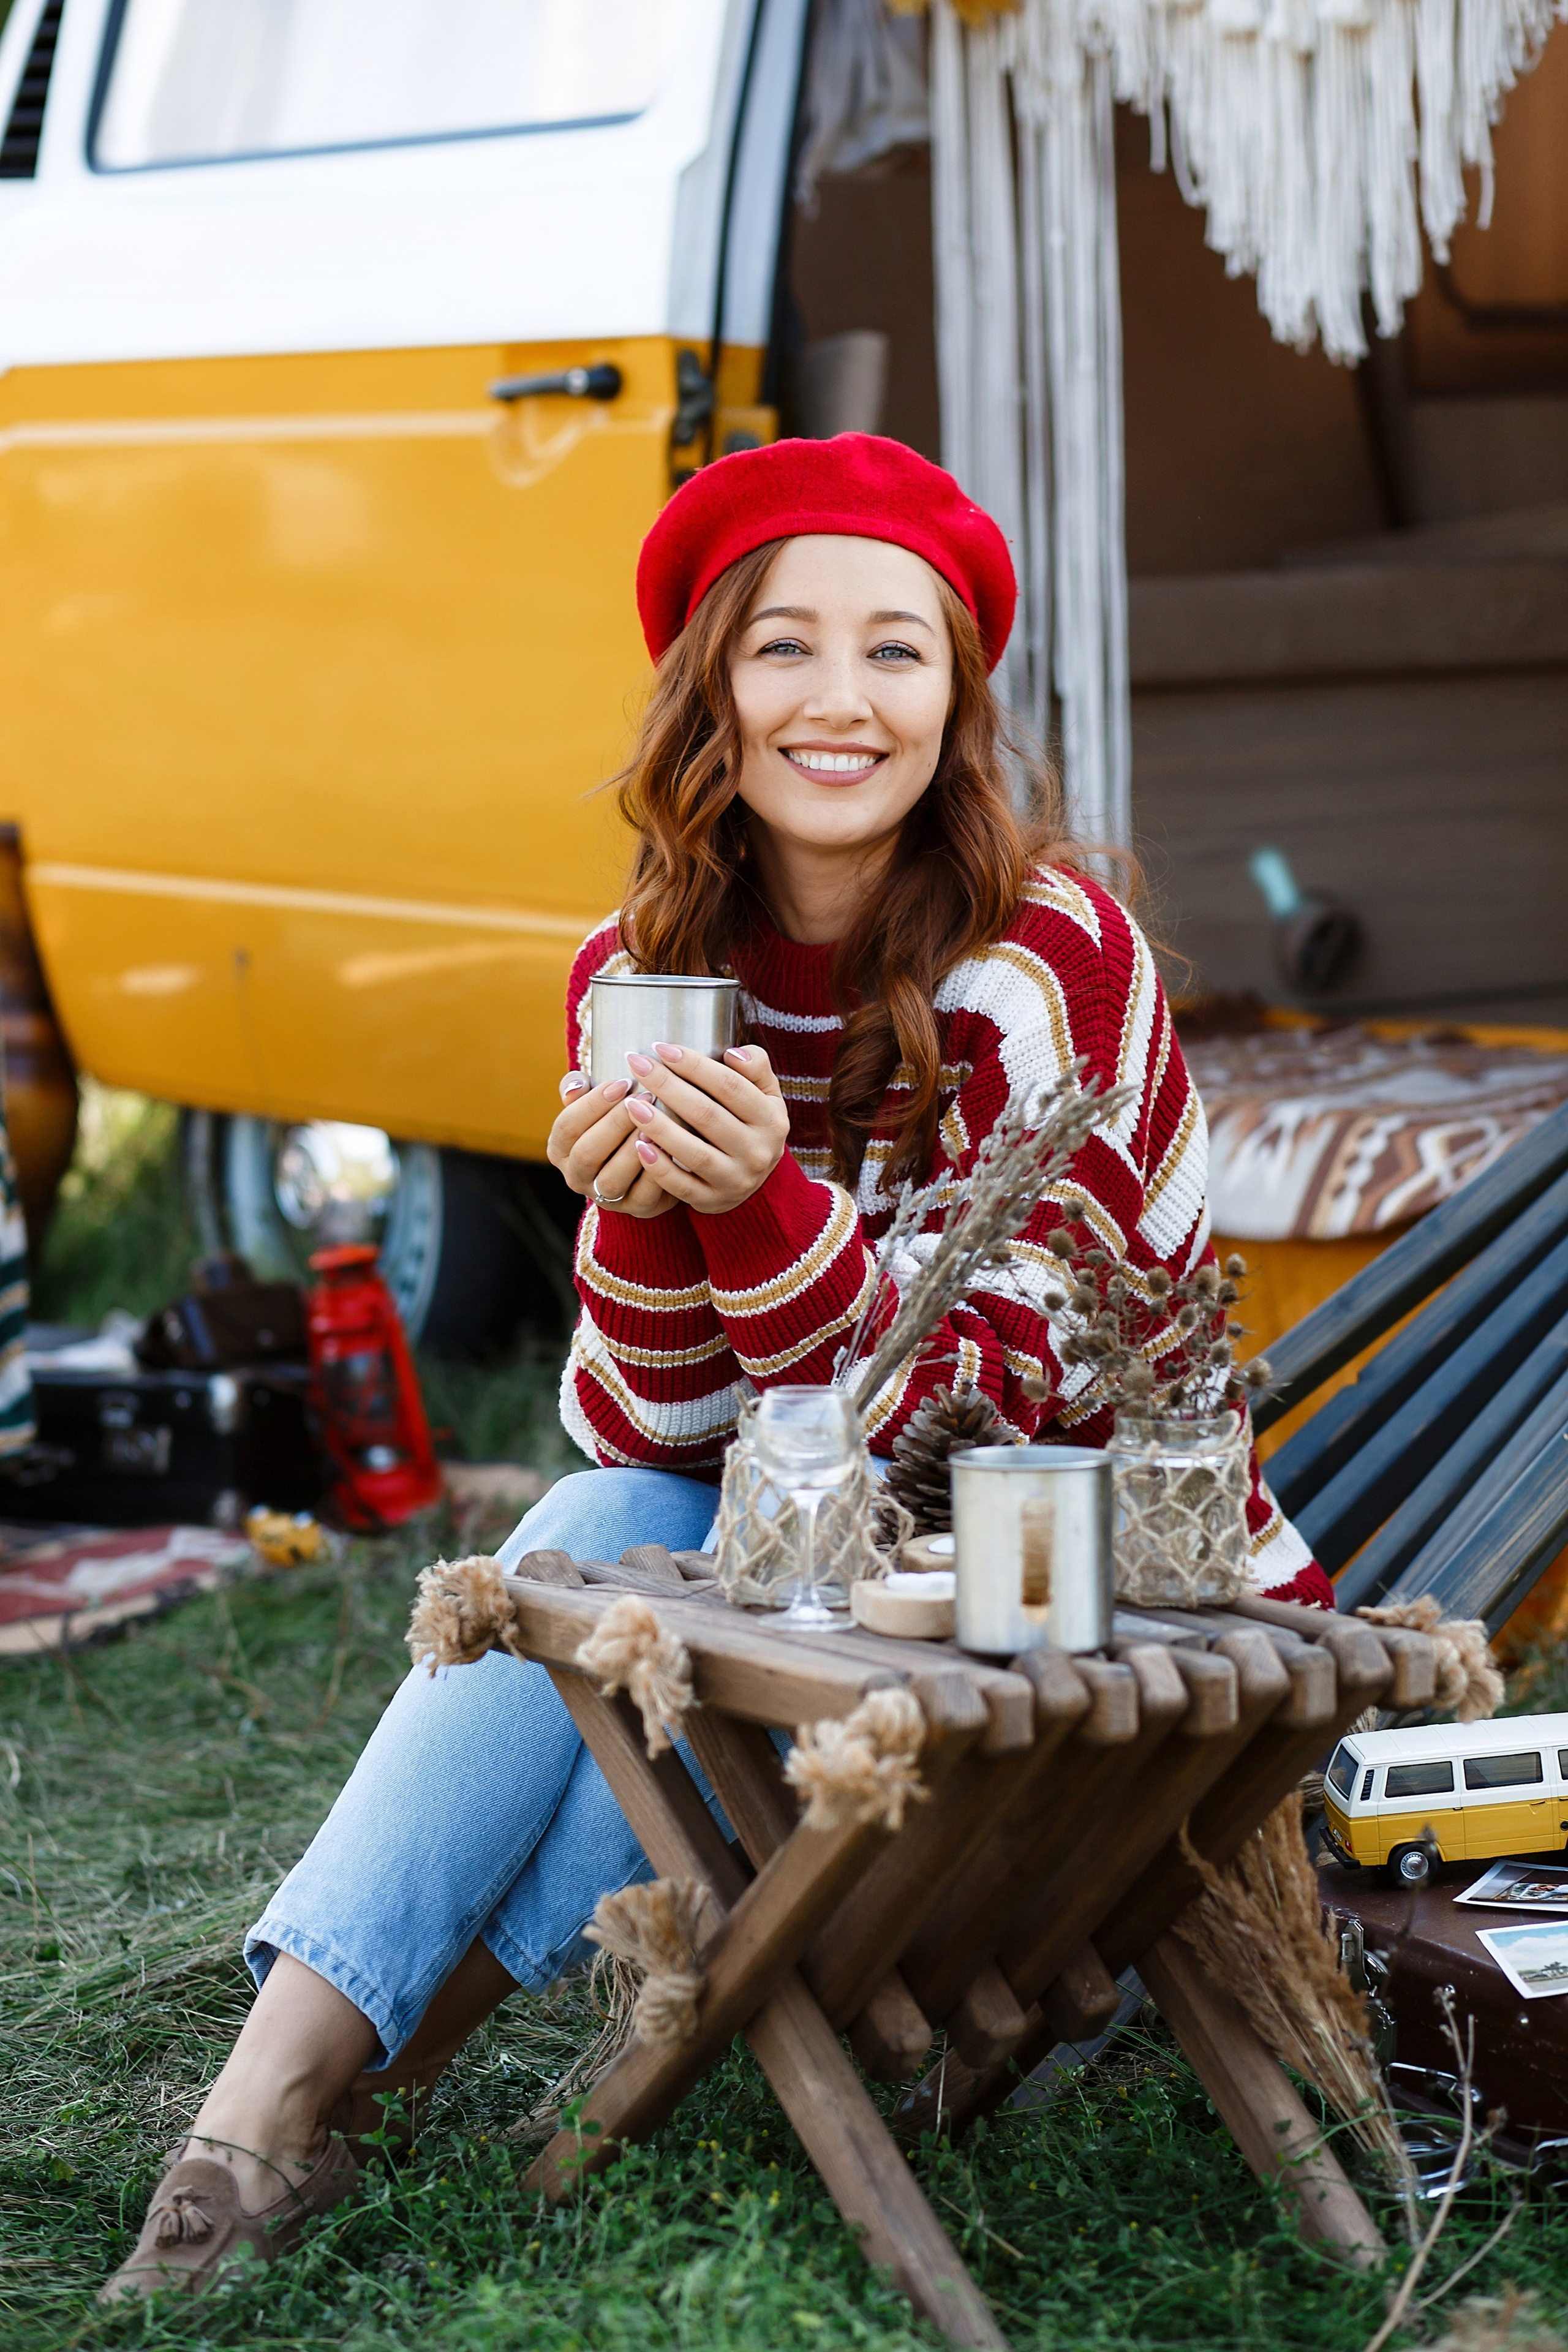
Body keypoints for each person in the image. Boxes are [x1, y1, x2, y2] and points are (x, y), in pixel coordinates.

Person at [101, 433, 1327, 2302]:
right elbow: (647, 1426)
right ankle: (265, 2126)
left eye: (899, 652)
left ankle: (322, 2104)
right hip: (783, 1551)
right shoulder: (641, 965)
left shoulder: (1045, 960)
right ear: (711, 695)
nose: (844, 701)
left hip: (1057, 1579)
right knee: (605, 1524)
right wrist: (644, 1216)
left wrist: (755, 1206)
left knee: (626, 1581)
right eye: (787, 648)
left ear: (957, 701)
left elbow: (978, 1413)